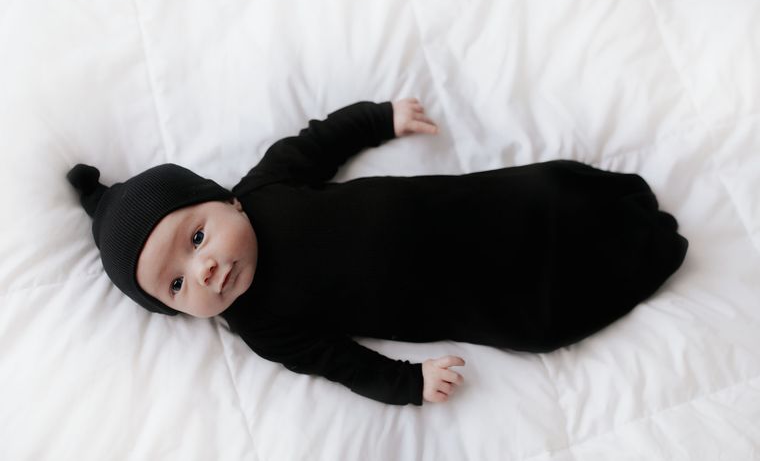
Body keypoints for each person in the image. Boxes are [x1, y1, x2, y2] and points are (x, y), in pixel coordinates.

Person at [67, 98, 689, 406]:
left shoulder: (264, 188)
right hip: (455, 300)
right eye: (176, 287)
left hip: (466, 209)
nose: (201, 271)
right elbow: (338, 361)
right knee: (539, 321)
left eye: (195, 239)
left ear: (222, 201)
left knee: (545, 193)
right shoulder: (261, 325)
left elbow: (320, 140)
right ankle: (650, 257)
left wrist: (380, 118)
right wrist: (408, 384)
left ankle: (618, 207)